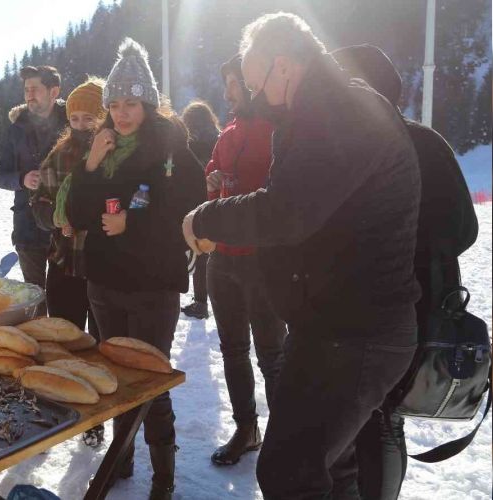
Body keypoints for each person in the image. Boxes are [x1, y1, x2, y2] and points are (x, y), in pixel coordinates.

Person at [183, 13, 421, 498]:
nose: (252, 97)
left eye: (255, 83)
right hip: (338, 327)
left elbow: (287, 211)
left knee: (289, 473)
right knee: (333, 471)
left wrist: (205, 218)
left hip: (356, 333)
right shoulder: (323, 109)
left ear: (285, 66)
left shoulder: (339, 111)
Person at [333, 44, 480, 500]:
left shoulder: (352, 149)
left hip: (373, 309)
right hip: (424, 304)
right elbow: (465, 228)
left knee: (366, 415)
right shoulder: (427, 141)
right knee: (384, 414)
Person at [68, 39, 206, 499]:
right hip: (105, 280)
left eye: (131, 103)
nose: (122, 113)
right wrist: (89, 162)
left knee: (151, 379)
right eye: (114, 104)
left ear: (147, 102)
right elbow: (80, 216)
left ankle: (163, 477)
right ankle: (121, 459)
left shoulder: (172, 145)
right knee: (114, 374)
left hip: (152, 281)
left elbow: (187, 209)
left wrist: (134, 221)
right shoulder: (103, 146)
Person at [195, 54, 287, 467]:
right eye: (228, 82)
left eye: (235, 82)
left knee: (271, 352)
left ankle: (287, 432)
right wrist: (212, 180)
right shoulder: (228, 130)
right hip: (222, 257)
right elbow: (213, 173)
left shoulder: (278, 128)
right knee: (232, 348)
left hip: (262, 259)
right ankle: (246, 428)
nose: (229, 91)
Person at [30, 77, 104, 338]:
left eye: (89, 118)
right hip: (65, 262)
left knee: (103, 343)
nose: (81, 125)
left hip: (104, 267)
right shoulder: (59, 155)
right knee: (64, 340)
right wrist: (55, 217)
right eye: (74, 119)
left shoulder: (116, 155)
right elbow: (39, 202)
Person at [0, 65, 67, 292]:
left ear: (54, 92)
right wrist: (22, 179)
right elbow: (0, 175)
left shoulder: (72, 122)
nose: (29, 95)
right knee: (35, 296)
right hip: (27, 223)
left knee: (65, 296)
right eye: (26, 90)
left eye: (35, 89)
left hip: (65, 222)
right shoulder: (15, 129)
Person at [179, 100, 220, 319]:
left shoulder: (188, 142)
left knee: (199, 251)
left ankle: (201, 302)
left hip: (195, 202)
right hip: (218, 199)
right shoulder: (219, 137)